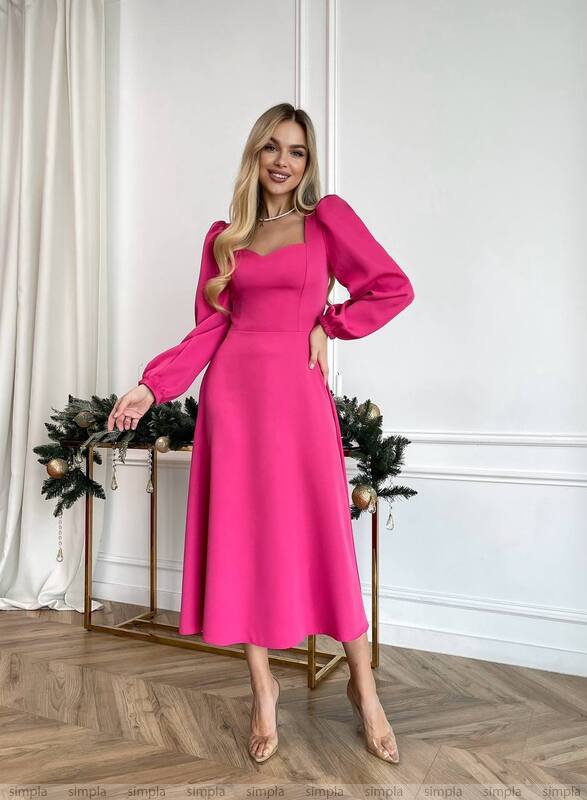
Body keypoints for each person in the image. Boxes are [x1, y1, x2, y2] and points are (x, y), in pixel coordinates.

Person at [108, 102, 415, 765]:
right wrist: (151, 385)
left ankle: (364, 689)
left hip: (297, 402)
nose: (282, 160)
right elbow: (209, 328)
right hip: (233, 403)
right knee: (245, 541)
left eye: (296, 151)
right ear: (254, 155)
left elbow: (391, 288)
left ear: (308, 161)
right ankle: (262, 690)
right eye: (271, 147)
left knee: (323, 537)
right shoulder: (224, 237)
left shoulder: (326, 220)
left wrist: (326, 323)